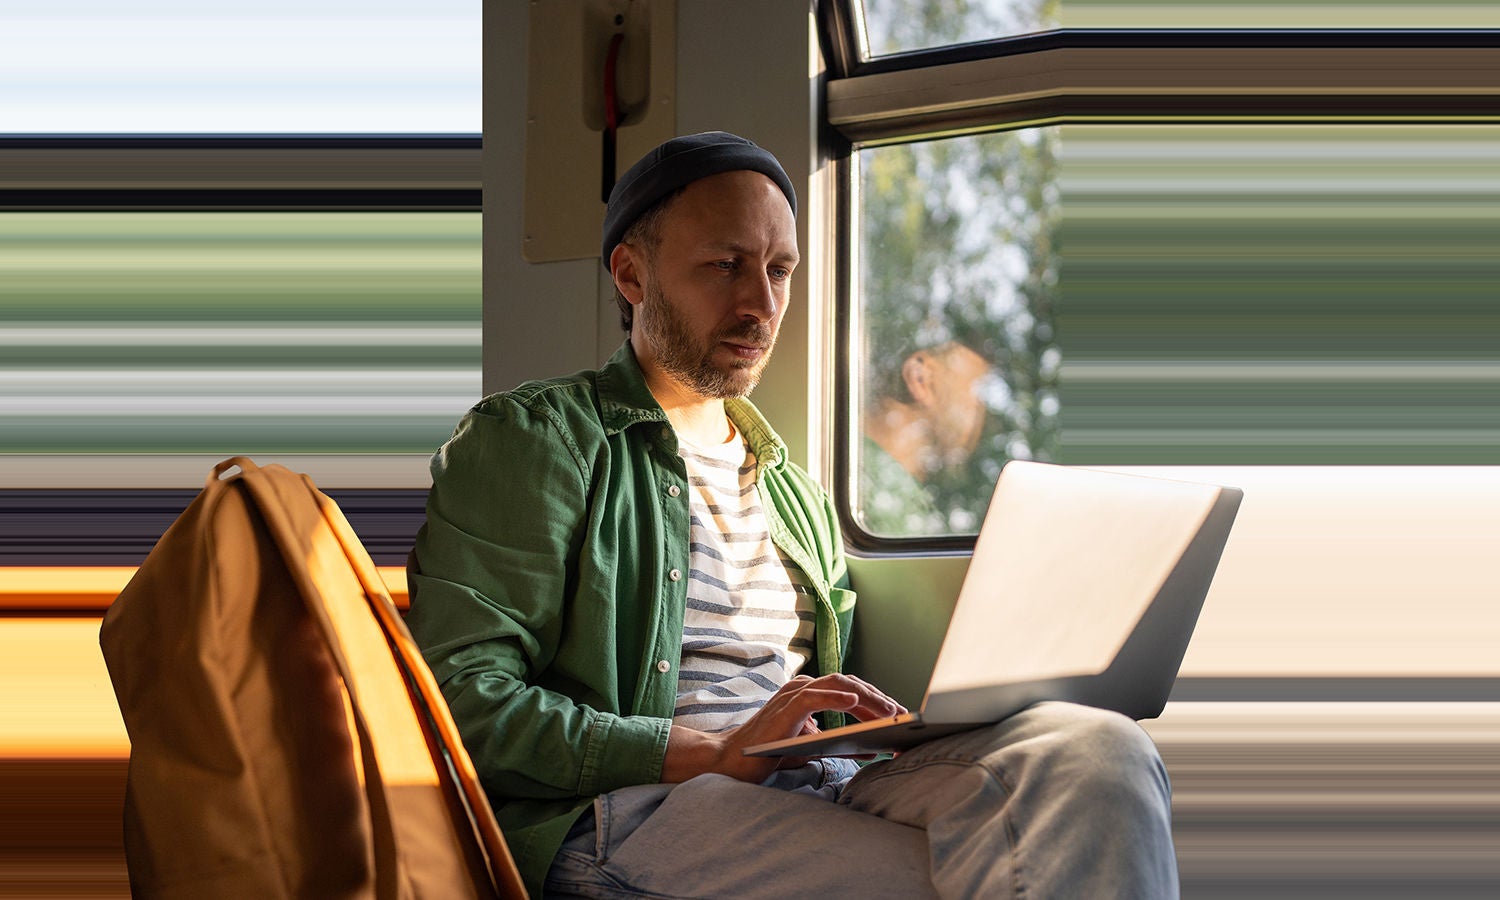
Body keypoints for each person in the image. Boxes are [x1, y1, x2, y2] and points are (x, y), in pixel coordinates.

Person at [406, 132, 1178, 898]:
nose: (761, 305)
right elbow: (462, 700)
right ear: (632, 273)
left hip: (825, 783)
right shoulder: (539, 440)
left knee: (1100, 750)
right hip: (638, 811)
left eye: (779, 270)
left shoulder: (794, 495)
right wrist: (706, 752)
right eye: (725, 266)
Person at [861, 340, 993, 536]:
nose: (980, 405)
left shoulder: (903, 493)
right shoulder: (864, 480)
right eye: (975, 386)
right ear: (920, 378)